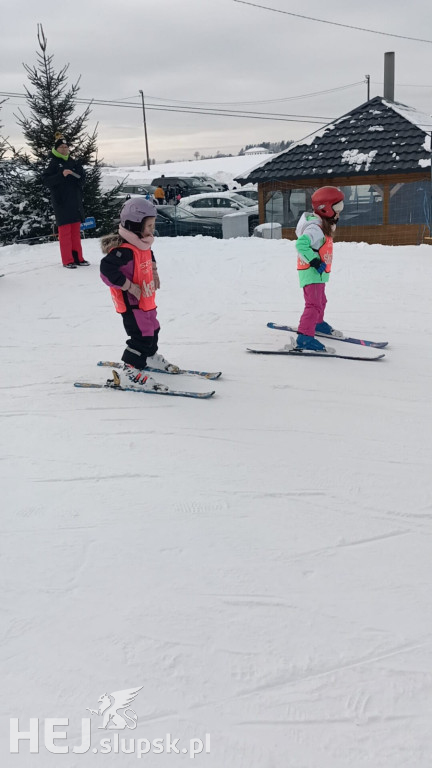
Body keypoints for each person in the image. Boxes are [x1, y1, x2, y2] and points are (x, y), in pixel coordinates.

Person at [100, 197, 179, 391]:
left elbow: (148, 256)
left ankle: (149, 357)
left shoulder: (143, 244)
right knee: (141, 336)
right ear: (134, 225)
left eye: (153, 224)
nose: (152, 229)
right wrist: (128, 285)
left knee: (154, 329)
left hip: (146, 300)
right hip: (132, 304)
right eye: (149, 225)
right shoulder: (124, 251)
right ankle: (130, 371)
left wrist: (154, 272)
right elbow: (106, 271)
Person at [295, 186, 345, 351]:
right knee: (313, 304)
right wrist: (315, 261)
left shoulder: (322, 226)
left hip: (318, 274)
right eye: (337, 208)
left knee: (321, 301)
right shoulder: (315, 228)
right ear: (325, 209)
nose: (339, 213)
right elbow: (301, 245)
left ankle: (317, 323)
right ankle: (304, 337)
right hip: (312, 272)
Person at [42, 133, 89, 269]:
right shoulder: (53, 163)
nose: (64, 149)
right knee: (65, 233)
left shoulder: (73, 161)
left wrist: (78, 177)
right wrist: (61, 175)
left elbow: (82, 178)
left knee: (75, 232)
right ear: (56, 149)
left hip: (75, 201)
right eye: (61, 147)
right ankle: (67, 260)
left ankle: (78, 258)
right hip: (61, 203)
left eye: (66, 146)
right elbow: (46, 181)